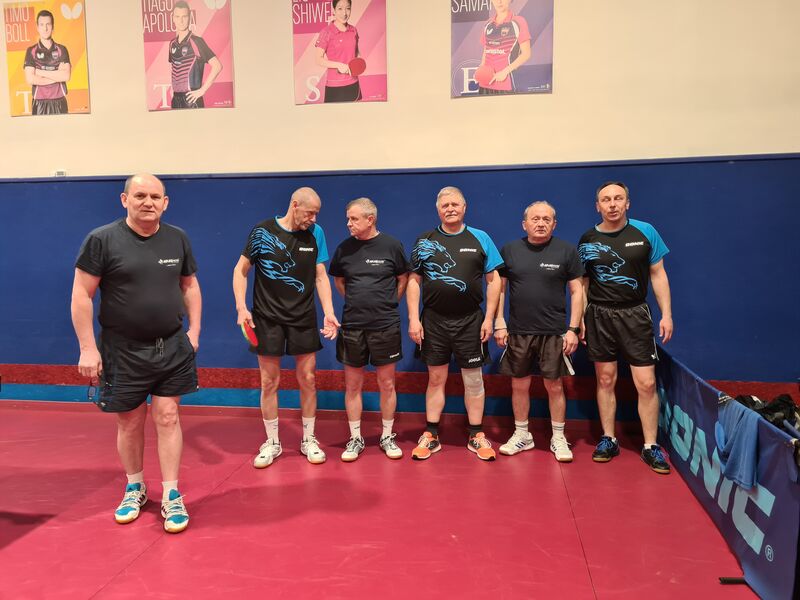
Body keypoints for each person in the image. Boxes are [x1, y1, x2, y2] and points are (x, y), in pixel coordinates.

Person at [71, 174, 201, 534]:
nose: (148, 202)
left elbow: (190, 286)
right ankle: (135, 487)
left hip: (171, 345)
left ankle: (172, 493)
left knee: (168, 416)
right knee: (129, 421)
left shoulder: (177, 237)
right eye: (140, 195)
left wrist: (194, 332)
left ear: (165, 203)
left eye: (155, 196)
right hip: (122, 350)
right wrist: (87, 348)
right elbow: (82, 294)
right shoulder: (101, 240)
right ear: (124, 199)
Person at [233, 187, 340, 468]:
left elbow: (320, 276)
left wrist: (329, 312)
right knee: (269, 382)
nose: (314, 219)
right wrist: (241, 307)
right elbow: (240, 270)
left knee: (308, 379)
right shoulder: (263, 231)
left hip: (303, 317)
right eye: (310, 213)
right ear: (295, 205)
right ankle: (272, 442)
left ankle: (309, 439)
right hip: (267, 318)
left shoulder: (316, 233)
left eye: (317, 214)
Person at [578, 181, 674, 474]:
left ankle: (650, 446)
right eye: (606, 199)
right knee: (605, 379)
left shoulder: (645, 232)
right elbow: (583, 284)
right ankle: (608, 439)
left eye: (618, 198)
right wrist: (581, 320)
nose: (612, 204)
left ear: (627, 203)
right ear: (598, 206)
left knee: (646, 383)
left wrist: (666, 314)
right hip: (599, 315)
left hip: (635, 314)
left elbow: (658, 274)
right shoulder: (588, 238)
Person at [407, 186, 503, 461]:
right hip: (433, 321)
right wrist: (413, 318)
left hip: (470, 321)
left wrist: (489, 318)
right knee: (435, 378)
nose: (450, 209)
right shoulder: (425, 239)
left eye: (455, 204)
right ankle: (431, 435)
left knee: (473, 379)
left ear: (464, 207)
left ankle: (476, 435)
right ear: (438, 210)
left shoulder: (481, 238)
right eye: (445, 205)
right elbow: (414, 281)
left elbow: (494, 280)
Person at [494, 201, 584, 462]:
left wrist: (573, 329)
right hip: (519, 331)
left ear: (554, 224)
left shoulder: (566, 251)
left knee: (554, 386)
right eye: (535, 219)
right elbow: (499, 289)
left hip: (554, 332)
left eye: (546, 219)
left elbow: (577, 291)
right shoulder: (510, 250)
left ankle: (559, 437)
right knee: (519, 384)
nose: (541, 223)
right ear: (525, 224)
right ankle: (522, 434)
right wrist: (499, 321)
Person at [329, 198, 409, 461]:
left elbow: (403, 278)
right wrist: (356, 302)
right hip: (353, 326)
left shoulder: (392, 245)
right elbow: (339, 281)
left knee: (387, 383)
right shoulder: (344, 248)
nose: (348, 223)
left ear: (370, 219)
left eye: (353, 219)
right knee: (353, 386)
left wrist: (388, 303)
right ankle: (355, 438)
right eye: (348, 218)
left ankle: (387, 435)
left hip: (385, 326)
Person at [169, 1, 222, 109]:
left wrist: (202, 90)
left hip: (192, 101)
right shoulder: (172, 43)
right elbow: (175, 68)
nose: (181, 21)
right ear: (173, 18)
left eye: (184, 16)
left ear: (189, 17)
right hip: (175, 99)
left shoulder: (197, 41)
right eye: (177, 17)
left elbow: (217, 66)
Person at [477, 0, 531, 95]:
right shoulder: (488, 24)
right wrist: (481, 69)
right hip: (485, 83)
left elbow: (526, 54)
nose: (499, 2)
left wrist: (504, 72)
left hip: (505, 84)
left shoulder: (518, 21)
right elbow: (486, 50)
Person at [23, 10, 71, 115]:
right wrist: (57, 75)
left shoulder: (62, 49)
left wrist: (39, 72)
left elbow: (66, 76)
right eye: (42, 25)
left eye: (48, 24)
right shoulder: (31, 51)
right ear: (37, 27)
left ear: (53, 26)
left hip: (59, 102)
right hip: (39, 103)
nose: (45, 28)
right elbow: (30, 79)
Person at [315, 0, 362, 103]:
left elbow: (356, 52)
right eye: (340, 8)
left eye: (348, 8)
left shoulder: (353, 30)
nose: (344, 13)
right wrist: (339, 65)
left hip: (353, 83)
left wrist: (358, 63)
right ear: (334, 10)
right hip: (335, 86)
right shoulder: (326, 32)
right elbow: (318, 59)